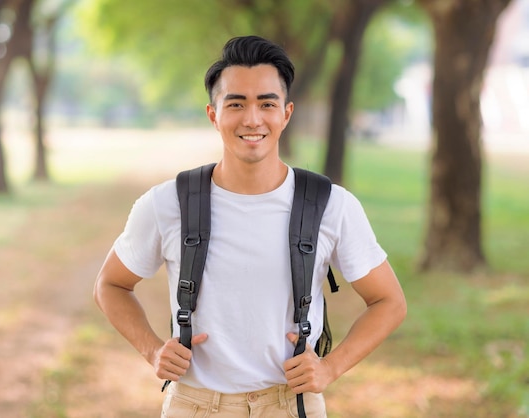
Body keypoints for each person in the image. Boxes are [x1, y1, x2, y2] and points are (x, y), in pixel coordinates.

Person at [94, 35, 407, 417]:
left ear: (286, 113)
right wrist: (152, 349)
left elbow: (389, 302)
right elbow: (110, 284)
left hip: (290, 404)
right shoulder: (168, 203)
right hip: (193, 404)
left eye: (267, 103)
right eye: (236, 103)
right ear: (214, 115)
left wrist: (330, 367)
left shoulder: (330, 205)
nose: (252, 119)